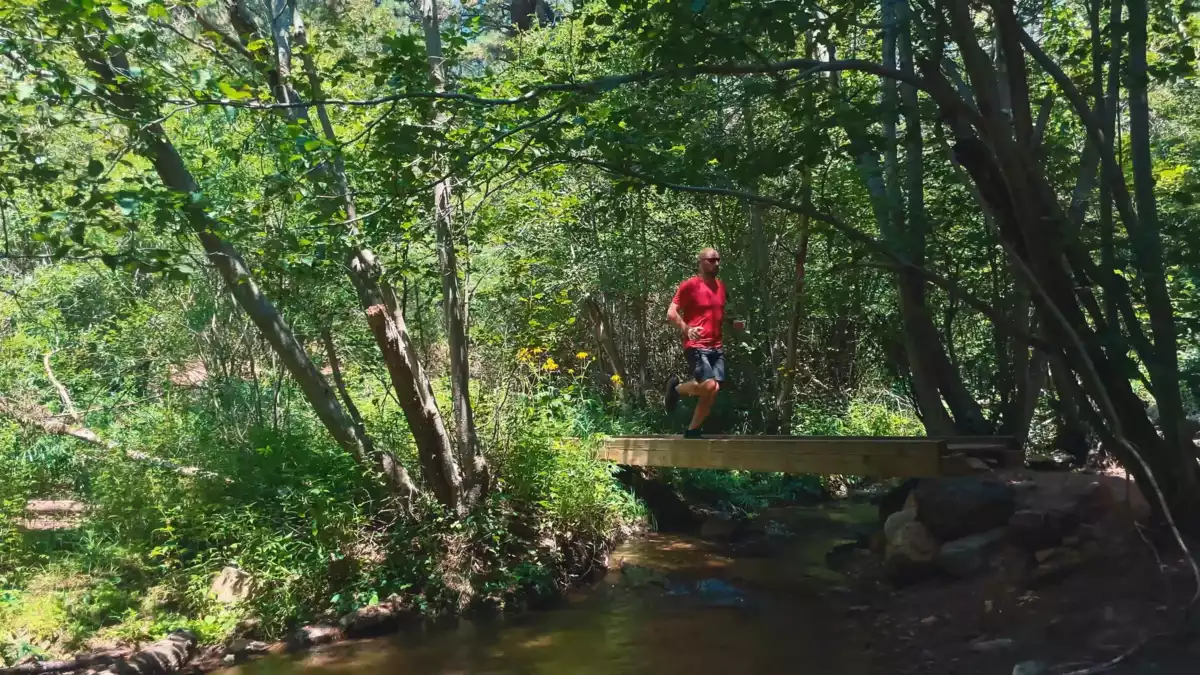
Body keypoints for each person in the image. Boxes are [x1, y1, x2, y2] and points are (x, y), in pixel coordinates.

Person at [664, 247, 743, 438]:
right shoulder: (690, 286)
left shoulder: (721, 287)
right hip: (697, 345)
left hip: (716, 347)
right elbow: (671, 313)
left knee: (713, 390)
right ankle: (675, 390)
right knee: (708, 385)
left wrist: (733, 323)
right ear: (700, 263)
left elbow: (721, 314)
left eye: (718, 260)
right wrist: (687, 329)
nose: (716, 263)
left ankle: (692, 430)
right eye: (711, 260)